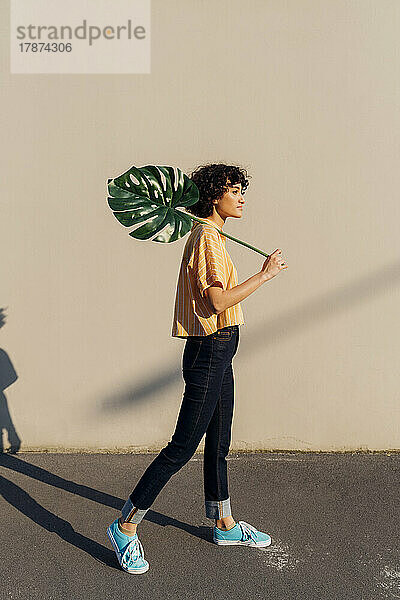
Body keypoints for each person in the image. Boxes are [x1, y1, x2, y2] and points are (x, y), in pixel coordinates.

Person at [106, 163, 288, 574]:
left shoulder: (214, 235)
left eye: (243, 190)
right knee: (182, 446)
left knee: (219, 441)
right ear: (214, 195)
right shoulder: (207, 238)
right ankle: (125, 525)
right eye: (234, 190)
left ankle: (224, 523)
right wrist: (265, 275)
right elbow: (218, 303)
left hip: (222, 350)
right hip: (210, 350)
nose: (241, 197)